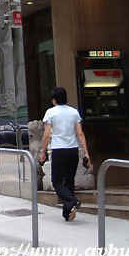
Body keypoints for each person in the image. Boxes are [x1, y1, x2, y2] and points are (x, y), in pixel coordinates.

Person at [39, 87, 91, 222]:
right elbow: (80, 133)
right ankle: (67, 213)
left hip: (58, 150)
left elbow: (46, 134)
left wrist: (42, 151)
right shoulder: (74, 112)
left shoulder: (51, 112)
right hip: (73, 150)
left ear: (54, 100)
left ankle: (73, 201)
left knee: (56, 182)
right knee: (69, 181)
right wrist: (86, 152)